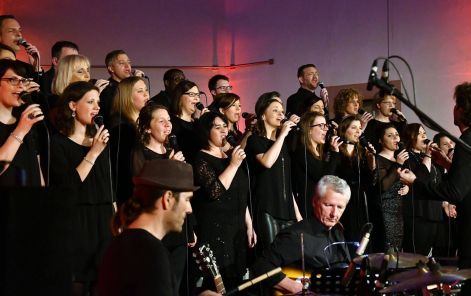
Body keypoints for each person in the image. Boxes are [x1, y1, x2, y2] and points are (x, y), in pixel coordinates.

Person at [97, 159, 219, 296]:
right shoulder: (152, 255)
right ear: (167, 199)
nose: (190, 209)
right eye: (186, 199)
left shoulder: (122, 244)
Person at [397, 82, 471, 271]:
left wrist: (415, 182)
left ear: (461, 110)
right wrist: (447, 164)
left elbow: (455, 191)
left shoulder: (466, 142)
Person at [49, 81, 113, 295]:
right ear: (73, 106)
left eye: (98, 102)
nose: (96, 107)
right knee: (78, 281)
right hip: (77, 217)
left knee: (104, 280)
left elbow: (107, 182)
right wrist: (93, 153)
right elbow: (68, 186)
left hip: (104, 216)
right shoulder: (58, 142)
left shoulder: (101, 140)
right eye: (90, 102)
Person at [253, 175, 352, 294]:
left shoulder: (338, 232)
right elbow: (261, 266)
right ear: (315, 202)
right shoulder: (296, 236)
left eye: (340, 207)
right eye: (328, 205)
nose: (334, 214)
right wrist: (297, 288)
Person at [193, 112, 256, 290]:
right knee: (219, 282)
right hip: (216, 228)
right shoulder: (201, 159)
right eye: (217, 127)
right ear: (206, 131)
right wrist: (234, 165)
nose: (223, 130)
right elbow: (214, 191)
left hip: (236, 227)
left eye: (224, 126)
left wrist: (249, 224)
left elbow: (241, 193)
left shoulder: (229, 157)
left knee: (238, 281)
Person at [245, 91, 303, 250]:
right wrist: (283, 134)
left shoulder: (281, 144)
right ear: (263, 116)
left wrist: (297, 212)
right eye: (275, 110)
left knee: (289, 258)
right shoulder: (255, 140)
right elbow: (267, 162)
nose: (280, 114)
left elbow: (286, 180)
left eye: (281, 111)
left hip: (287, 210)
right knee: (271, 255)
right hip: (267, 209)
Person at [401, 123, 454, 256]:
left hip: (434, 214)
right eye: (420, 134)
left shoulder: (430, 159)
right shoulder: (407, 157)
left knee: (430, 259)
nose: (425, 136)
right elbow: (420, 179)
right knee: (416, 257)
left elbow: (438, 183)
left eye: (425, 133)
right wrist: (428, 155)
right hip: (419, 214)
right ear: (411, 136)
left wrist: (445, 203)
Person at [0, 59, 44, 185]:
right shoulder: (23, 125)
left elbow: (36, 163)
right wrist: (20, 131)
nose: (20, 86)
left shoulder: (25, 120)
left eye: (23, 81)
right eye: (13, 80)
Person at [291, 111, 342, 218]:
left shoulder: (320, 153)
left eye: (326, 125)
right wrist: (334, 153)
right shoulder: (302, 152)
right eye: (321, 125)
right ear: (309, 130)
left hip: (320, 207)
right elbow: (324, 178)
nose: (326, 129)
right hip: (308, 210)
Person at [108, 76, 149, 206]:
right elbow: (124, 168)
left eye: (146, 90)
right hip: (129, 195)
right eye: (140, 91)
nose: (146, 94)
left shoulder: (142, 123)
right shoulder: (121, 127)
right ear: (127, 96)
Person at [335, 115, 376, 241]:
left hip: (360, 204)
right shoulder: (336, 151)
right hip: (343, 203)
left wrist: (371, 164)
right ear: (344, 130)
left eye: (359, 128)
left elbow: (370, 183)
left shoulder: (362, 153)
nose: (359, 131)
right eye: (354, 128)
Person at [372, 124, 409, 251]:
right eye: (390, 135)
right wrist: (398, 164)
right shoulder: (378, 159)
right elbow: (383, 185)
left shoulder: (399, 160)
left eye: (397, 135)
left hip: (398, 211)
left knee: (398, 251)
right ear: (381, 140)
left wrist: (407, 186)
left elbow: (404, 180)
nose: (395, 138)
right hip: (385, 212)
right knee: (387, 251)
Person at [132, 102, 185, 176]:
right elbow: (144, 183)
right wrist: (170, 166)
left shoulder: (171, 151)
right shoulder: (140, 153)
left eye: (169, 120)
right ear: (147, 128)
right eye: (161, 121)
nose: (168, 125)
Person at [99, 49, 145, 125]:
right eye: (122, 63)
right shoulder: (107, 90)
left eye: (129, 62)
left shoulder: (128, 86)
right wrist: (134, 85)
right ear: (111, 68)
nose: (127, 66)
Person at [169, 79, 208, 165]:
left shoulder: (197, 123)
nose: (197, 98)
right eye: (191, 94)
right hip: (183, 169)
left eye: (198, 95)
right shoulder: (171, 122)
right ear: (180, 97)